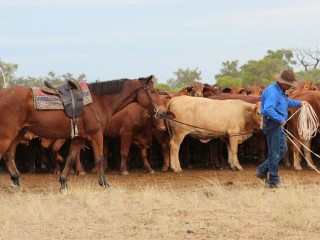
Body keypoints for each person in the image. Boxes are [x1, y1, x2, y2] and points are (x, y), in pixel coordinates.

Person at [255, 69, 308, 188]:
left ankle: (262, 170)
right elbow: (268, 109)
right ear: (283, 83)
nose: (290, 87)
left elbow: (285, 102)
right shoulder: (273, 92)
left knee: (282, 149)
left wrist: (300, 103)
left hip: (275, 124)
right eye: (289, 84)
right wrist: (280, 119)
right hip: (272, 123)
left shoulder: (280, 91)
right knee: (275, 152)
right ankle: (274, 181)